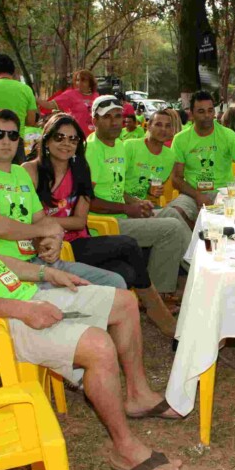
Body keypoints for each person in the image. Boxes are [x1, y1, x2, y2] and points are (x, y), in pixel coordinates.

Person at [0, 134, 189, 470]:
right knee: (97, 345)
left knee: (123, 301)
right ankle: (124, 448)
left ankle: (136, 395)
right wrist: (23, 311)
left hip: (22, 298)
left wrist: (48, 273)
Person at [22, 114, 177, 336]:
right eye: (60, 137)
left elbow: (79, 221)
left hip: (77, 241)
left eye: (73, 139)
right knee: (129, 245)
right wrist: (47, 228)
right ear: (46, 140)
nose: (66, 143)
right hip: (50, 247)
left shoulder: (80, 171)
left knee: (125, 273)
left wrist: (48, 222)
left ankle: (100, 330)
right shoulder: (30, 171)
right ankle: (156, 312)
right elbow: (26, 219)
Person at [0, 109, 125, 290]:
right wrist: (41, 230)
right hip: (4, 269)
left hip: (38, 260)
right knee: (96, 294)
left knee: (115, 282)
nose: (6, 141)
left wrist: (54, 238)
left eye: (13, 135)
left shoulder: (20, 173)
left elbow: (40, 219)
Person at [85, 95, 191, 317]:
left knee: (172, 212)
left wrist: (135, 202)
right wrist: (127, 208)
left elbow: (116, 188)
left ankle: (193, 274)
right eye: (108, 117)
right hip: (102, 223)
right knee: (170, 228)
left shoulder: (117, 147)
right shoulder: (92, 149)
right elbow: (88, 200)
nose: (115, 122)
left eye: (118, 116)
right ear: (94, 120)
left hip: (122, 214)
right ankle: (156, 295)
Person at [169, 91, 235, 225]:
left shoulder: (227, 135)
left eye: (210, 110)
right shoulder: (180, 139)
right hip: (192, 193)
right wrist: (197, 195)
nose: (207, 115)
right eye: (201, 111)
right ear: (192, 114)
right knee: (176, 213)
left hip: (223, 192)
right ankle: (195, 241)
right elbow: (176, 179)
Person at [125, 110, 176, 204]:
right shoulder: (130, 146)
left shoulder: (170, 156)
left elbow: (155, 183)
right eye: (158, 125)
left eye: (167, 126)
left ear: (172, 131)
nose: (163, 129)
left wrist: (152, 190)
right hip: (121, 204)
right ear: (148, 127)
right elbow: (113, 184)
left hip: (143, 206)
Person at [37, 69, 99, 136]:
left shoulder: (96, 95)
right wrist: (35, 99)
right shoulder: (70, 94)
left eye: (83, 80)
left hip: (95, 134)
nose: (79, 83)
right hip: (77, 134)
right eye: (77, 80)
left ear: (90, 82)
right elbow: (49, 105)